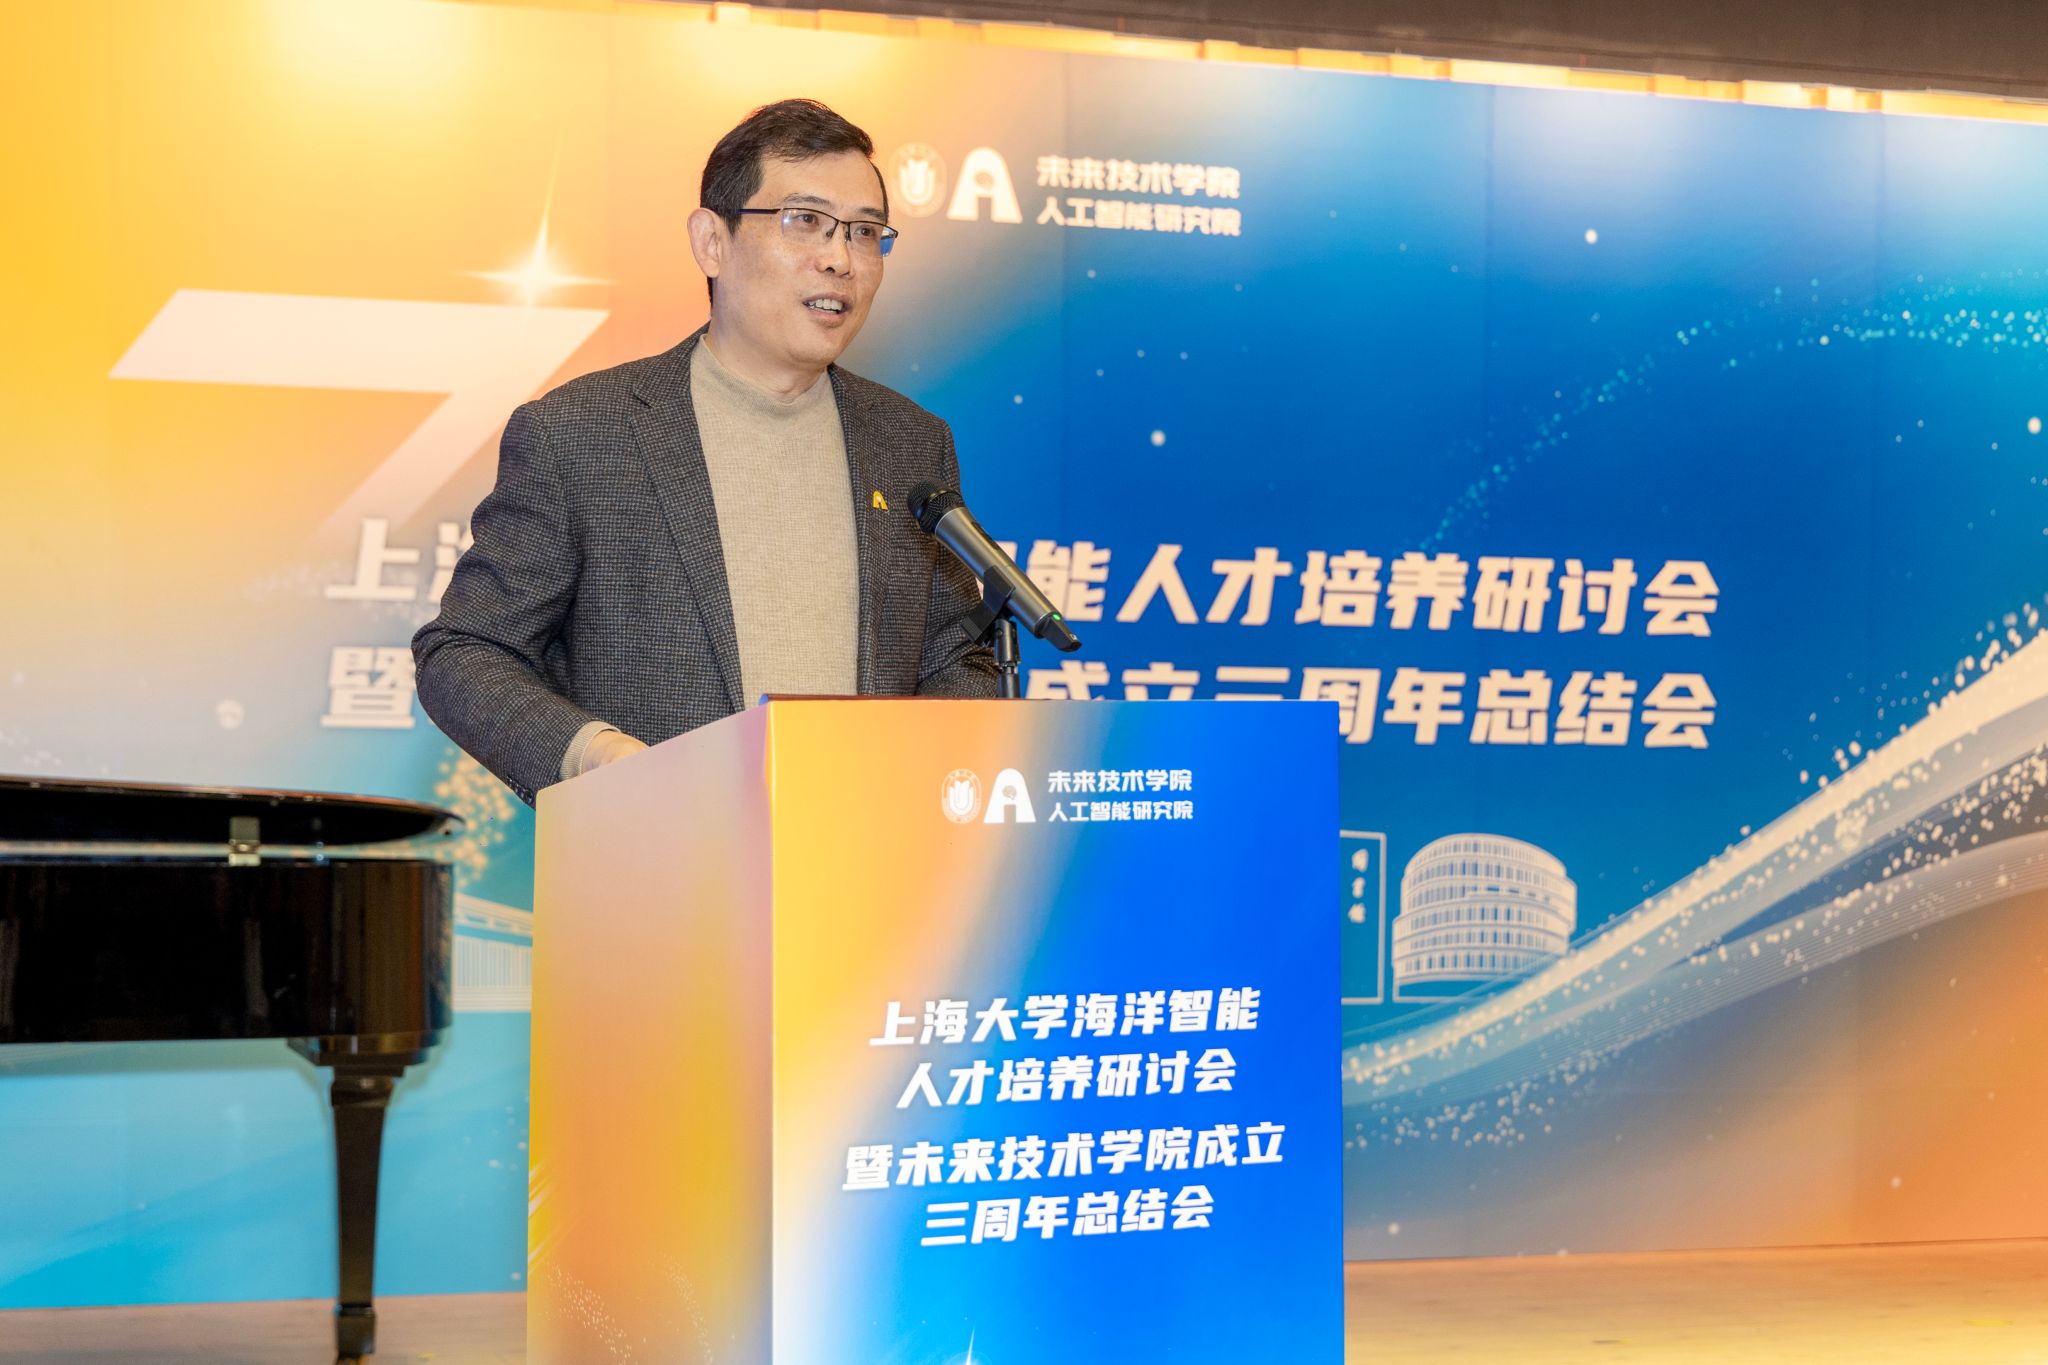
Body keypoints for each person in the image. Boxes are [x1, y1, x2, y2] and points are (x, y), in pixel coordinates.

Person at [413, 99, 997, 805]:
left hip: (862, 851)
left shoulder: (909, 441)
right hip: (658, 848)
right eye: (805, 220)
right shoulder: (582, 434)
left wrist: (918, 776)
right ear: (711, 242)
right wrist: (593, 757)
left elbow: (952, 652)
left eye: (866, 232)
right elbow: (466, 651)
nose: (840, 259)